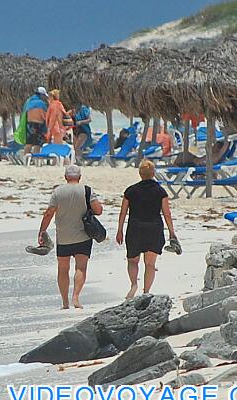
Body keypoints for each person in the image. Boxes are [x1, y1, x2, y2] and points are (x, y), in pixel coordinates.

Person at [38, 164, 103, 309]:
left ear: (65, 177)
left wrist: (42, 231)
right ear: (79, 177)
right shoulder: (87, 190)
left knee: (62, 269)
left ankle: (64, 302)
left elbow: (49, 213)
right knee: (81, 268)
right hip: (83, 236)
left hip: (63, 237)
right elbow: (98, 210)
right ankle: (76, 297)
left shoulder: (58, 192)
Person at [116, 160, 177, 299]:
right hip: (154, 229)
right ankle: (146, 291)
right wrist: (172, 232)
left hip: (135, 228)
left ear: (140, 174)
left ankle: (133, 285)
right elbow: (167, 213)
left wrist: (119, 230)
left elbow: (123, 212)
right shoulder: (160, 191)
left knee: (132, 261)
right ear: (153, 173)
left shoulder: (131, 191)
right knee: (150, 264)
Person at [23, 87, 49, 154]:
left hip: (29, 124)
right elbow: (43, 116)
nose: (44, 98)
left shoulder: (29, 102)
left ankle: (25, 158)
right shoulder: (41, 103)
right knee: (37, 144)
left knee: (29, 143)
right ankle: (36, 159)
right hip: (38, 125)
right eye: (44, 96)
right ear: (41, 95)